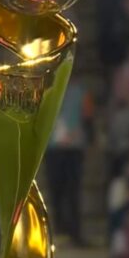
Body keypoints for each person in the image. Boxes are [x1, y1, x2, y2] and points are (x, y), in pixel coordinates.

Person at [46, 79, 93, 245]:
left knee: (73, 192)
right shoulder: (45, 90)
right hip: (52, 148)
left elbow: (88, 117)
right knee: (56, 190)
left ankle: (75, 232)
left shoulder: (81, 91)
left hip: (74, 148)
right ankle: (60, 228)